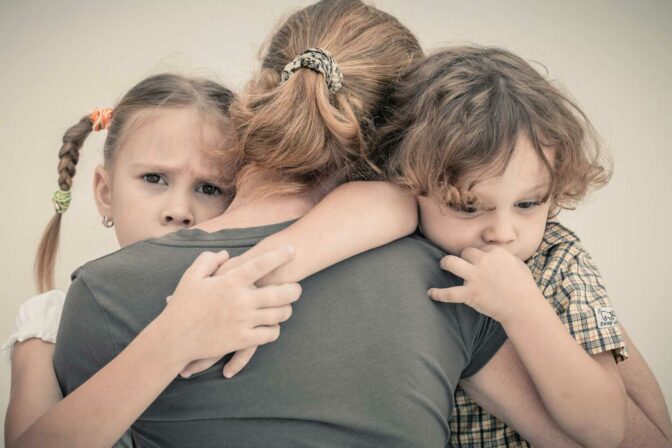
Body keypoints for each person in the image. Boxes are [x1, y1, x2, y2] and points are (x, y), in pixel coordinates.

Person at [52, 1, 620, 447]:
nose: (501, 228)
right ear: (406, 143)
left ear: (257, 97)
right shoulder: (449, 278)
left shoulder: (104, 295)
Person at [4, 72, 417, 447]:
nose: (179, 210)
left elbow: (395, 200)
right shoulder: (49, 324)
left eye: (208, 188)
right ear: (105, 191)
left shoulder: (248, 297)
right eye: (154, 179)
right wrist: (175, 338)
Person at [377, 45, 672, 447]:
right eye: (468, 207)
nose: (503, 233)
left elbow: (607, 428)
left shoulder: (561, 264)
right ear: (407, 186)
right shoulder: (399, 256)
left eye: (528, 204)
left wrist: (522, 308)